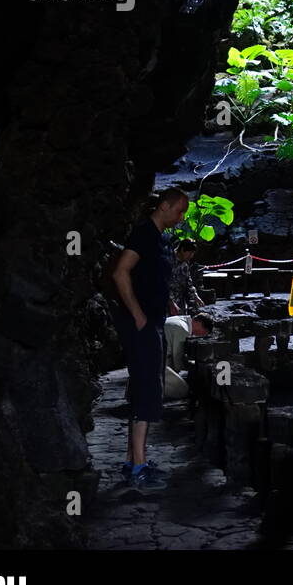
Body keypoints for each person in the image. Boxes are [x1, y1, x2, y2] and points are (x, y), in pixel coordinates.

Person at [110, 188, 190, 489]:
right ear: (165, 205)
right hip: (141, 324)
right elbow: (121, 273)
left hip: (153, 321)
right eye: (179, 211)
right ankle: (139, 466)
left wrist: (165, 303)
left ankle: (133, 460)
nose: (181, 218)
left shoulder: (162, 240)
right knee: (146, 388)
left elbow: (153, 277)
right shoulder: (143, 233)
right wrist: (138, 315)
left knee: (146, 386)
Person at [163, 313, 213, 399]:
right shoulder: (183, 330)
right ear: (199, 323)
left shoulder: (179, 319)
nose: (200, 336)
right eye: (204, 333)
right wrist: (193, 367)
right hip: (153, 362)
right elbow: (177, 363)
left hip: (148, 356)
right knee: (183, 390)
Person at [167, 240, 203, 316]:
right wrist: (170, 302)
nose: (191, 256)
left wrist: (195, 296)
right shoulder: (168, 260)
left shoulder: (185, 262)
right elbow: (162, 284)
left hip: (180, 302)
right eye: (190, 253)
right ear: (183, 250)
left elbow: (188, 280)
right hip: (166, 303)